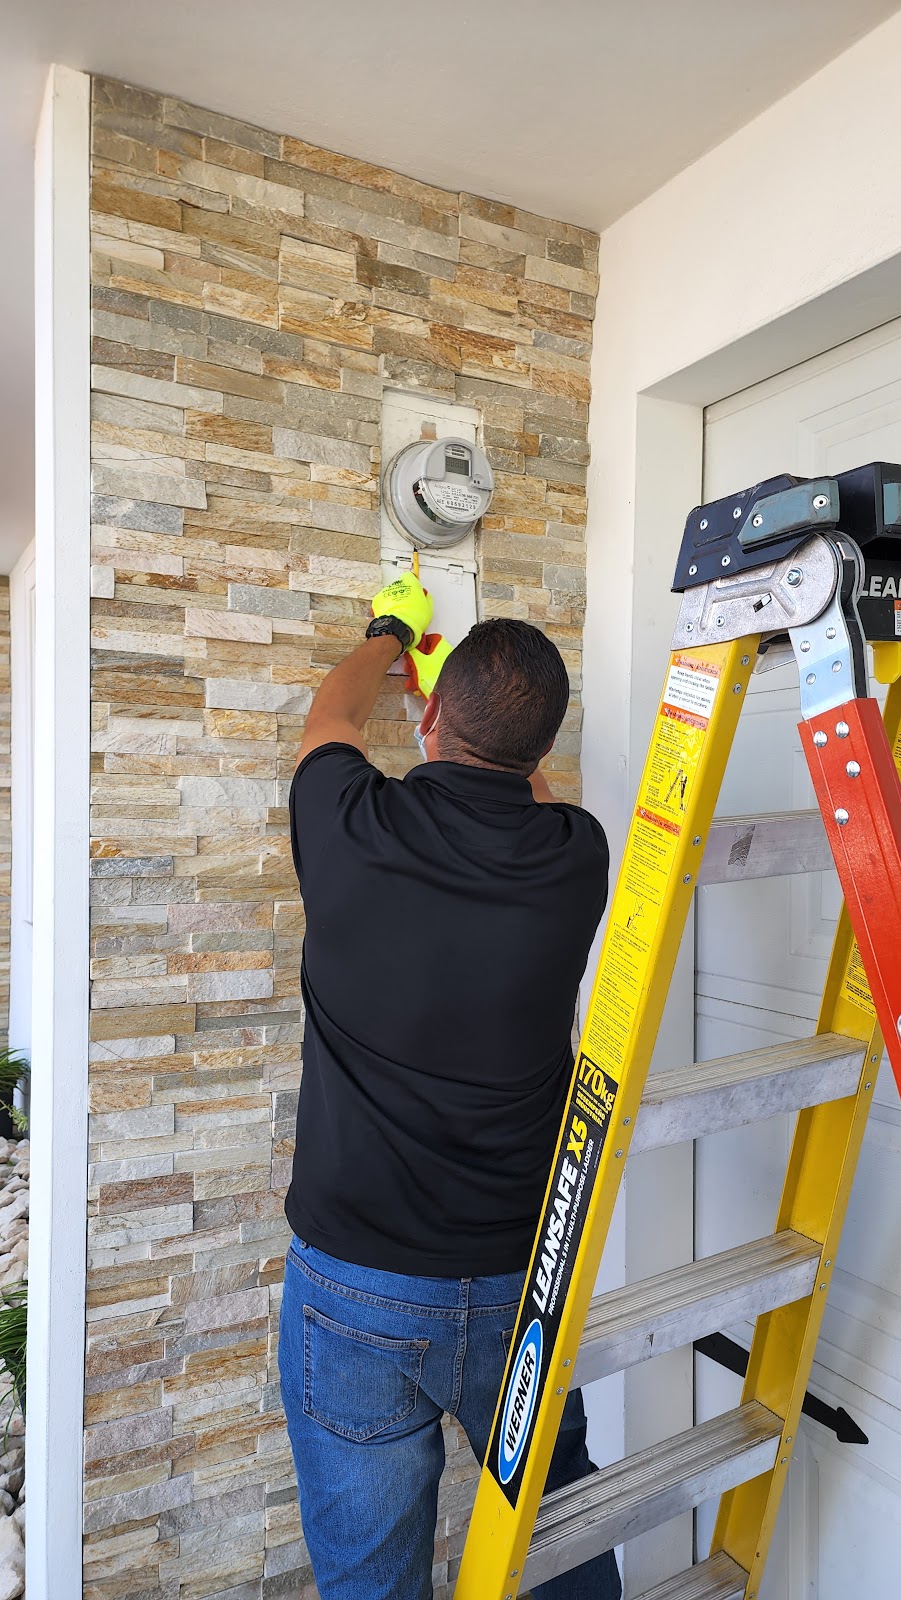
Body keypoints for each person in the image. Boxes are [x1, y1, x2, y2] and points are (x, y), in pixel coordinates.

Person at [278, 571, 621, 1600]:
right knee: (556, 1537)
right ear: (541, 755)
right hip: (522, 1276)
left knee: (374, 1582)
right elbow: (530, 796)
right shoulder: (578, 857)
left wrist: (391, 633)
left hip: (357, 1286)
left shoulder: (345, 821)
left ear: (428, 721)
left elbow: (330, 720)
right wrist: (496, 735)